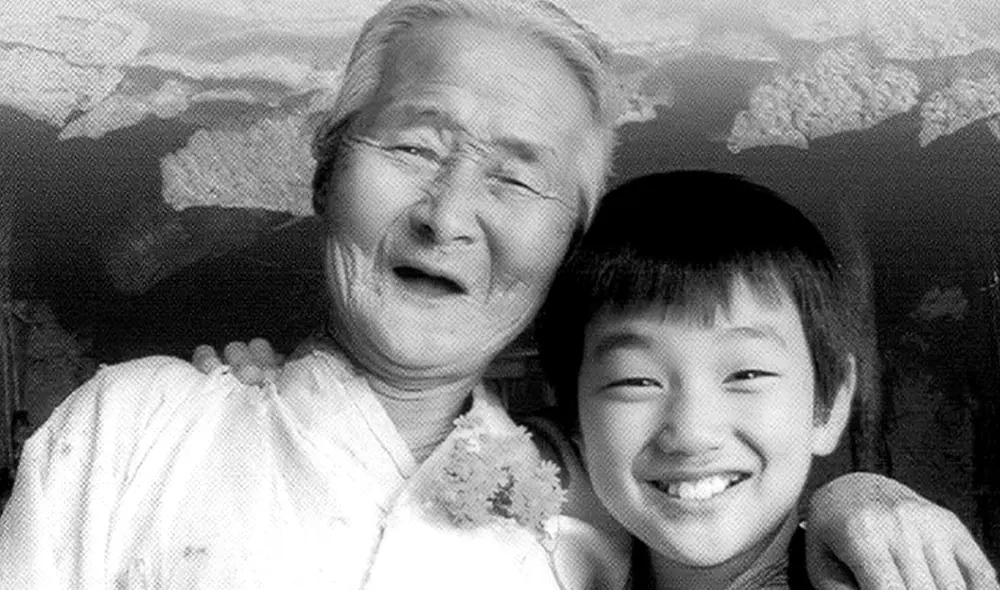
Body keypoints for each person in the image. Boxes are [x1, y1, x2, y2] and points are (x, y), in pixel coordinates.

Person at [1, 0, 995, 588]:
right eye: (412, 148)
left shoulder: (587, 520)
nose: (447, 217)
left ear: (566, 239)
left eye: (517, 178)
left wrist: (863, 501)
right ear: (323, 174)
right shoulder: (136, 430)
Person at [535, 171, 998, 588]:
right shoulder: (537, 566)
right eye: (634, 381)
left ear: (829, 404)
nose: (693, 434)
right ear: (573, 418)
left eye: (746, 373)